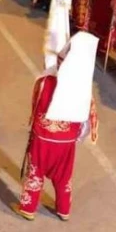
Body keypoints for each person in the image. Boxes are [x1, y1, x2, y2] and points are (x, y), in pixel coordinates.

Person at [15, 32, 100, 221]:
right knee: (63, 177)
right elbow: (89, 118)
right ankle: (63, 210)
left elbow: (36, 105)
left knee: (35, 173)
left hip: (43, 138)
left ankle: (29, 208)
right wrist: (76, 137)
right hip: (66, 142)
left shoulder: (46, 81)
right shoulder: (84, 89)